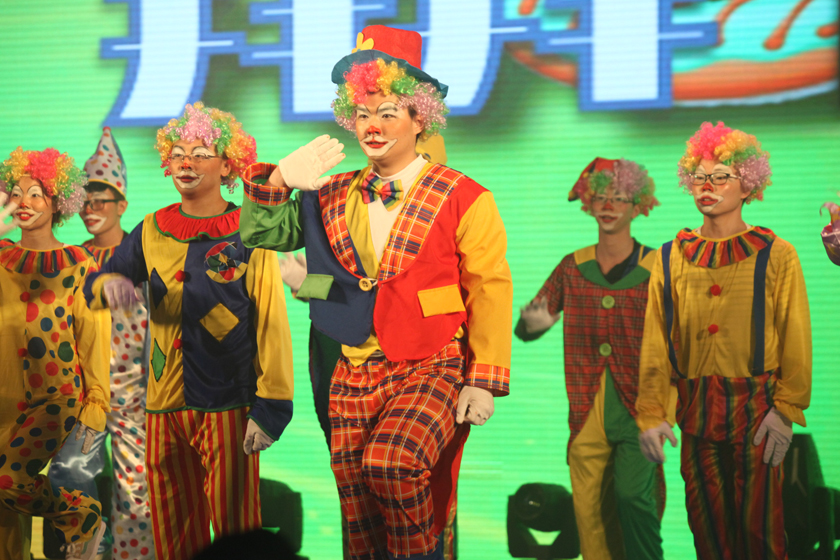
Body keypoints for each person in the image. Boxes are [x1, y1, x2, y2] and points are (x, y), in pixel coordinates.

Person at [239, 25, 513, 560]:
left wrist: (484, 379)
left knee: (392, 464)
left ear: (419, 118)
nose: (372, 126)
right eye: (362, 113)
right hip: (352, 365)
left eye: (388, 113)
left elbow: (489, 288)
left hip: (431, 360)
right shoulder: (331, 192)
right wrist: (277, 182)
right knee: (356, 502)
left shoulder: (465, 196)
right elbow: (262, 234)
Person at [83, 103, 295, 560]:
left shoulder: (249, 230)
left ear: (227, 165)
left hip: (229, 400)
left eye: (200, 153)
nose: (186, 162)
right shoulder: (152, 228)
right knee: (173, 530)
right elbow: (99, 281)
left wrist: (273, 404)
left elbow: (271, 320)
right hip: (162, 403)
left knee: (237, 529)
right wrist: (108, 284)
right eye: (178, 153)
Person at [636, 122, 812, 560]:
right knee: (707, 532)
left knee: (760, 533)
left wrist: (786, 409)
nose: (707, 186)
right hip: (695, 409)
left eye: (720, 177)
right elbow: (656, 341)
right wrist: (653, 413)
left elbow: (795, 335)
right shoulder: (669, 257)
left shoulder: (777, 253)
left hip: (757, 409)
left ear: (748, 184)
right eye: (699, 176)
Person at [516, 157, 670, 560]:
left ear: (638, 205)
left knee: (634, 498)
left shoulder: (659, 267)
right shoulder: (574, 265)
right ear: (589, 204)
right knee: (589, 513)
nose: (608, 205)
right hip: (586, 409)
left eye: (619, 198)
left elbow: (678, 340)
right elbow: (528, 326)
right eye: (600, 198)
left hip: (640, 407)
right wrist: (533, 325)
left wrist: (668, 409)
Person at [47, 127, 154, 560]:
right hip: (82, 395)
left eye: (101, 202)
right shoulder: (71, 259)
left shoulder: (143, 252)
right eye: (85, 203)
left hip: (134, 394)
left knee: (136, 491)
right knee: (69, 475)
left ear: (122, 204)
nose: (91, 210)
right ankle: (84, 550)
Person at [0, 147, 110, 560]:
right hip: (3, 398)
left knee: (10, 480)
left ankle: (81, 517)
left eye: (36, 194)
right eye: (16, 193)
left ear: (57, 201)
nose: (24, 203)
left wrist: (95, 407)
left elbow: (94, 338)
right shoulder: (1, 258)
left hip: (55, 397)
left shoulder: (79, 263)